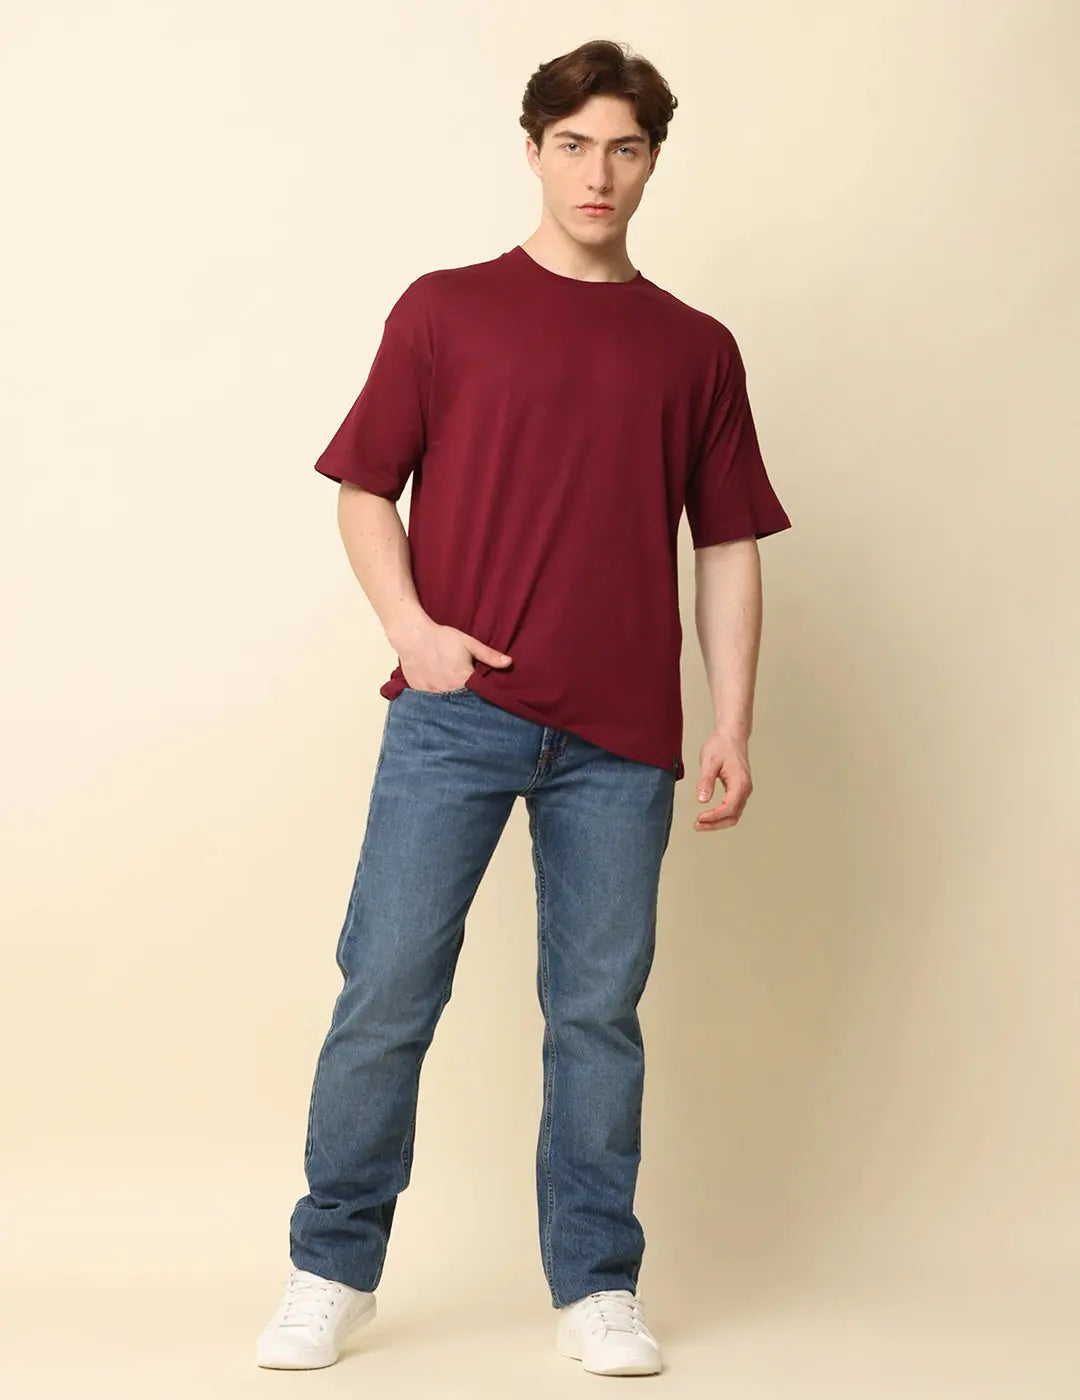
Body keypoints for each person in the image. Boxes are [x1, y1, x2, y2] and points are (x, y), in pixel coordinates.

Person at [256, 37, 791, 1379]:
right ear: (535, 151)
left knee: (597, 1016)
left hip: (621, 741)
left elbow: (727, 542)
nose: (597, 172)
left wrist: (731, 720)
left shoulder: (695, 348)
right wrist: (414, 634)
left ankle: (597, 1283)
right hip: (458, 718)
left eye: (625, 147)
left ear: (653, 162)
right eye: (573, 144)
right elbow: (364, 488)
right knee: (386, 989)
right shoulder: (446, 311)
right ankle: (331, 1268)